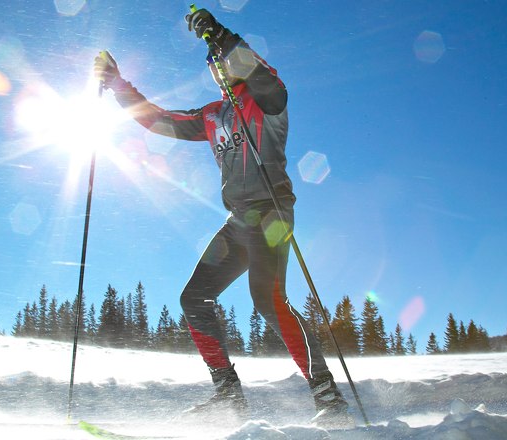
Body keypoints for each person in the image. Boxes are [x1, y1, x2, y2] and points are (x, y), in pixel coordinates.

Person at [94, 8, 352, 427]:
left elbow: (265, 77)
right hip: (238, 221)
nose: (219, 70)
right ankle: (228, 395)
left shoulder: (267, 101)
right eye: (213, 66)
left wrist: (222, 36)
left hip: (272, 214)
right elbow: (157, 121)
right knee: (193, 298)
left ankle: (327, 396)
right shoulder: (212, 115)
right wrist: (117, 84)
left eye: (222, 62)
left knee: (268, 300)